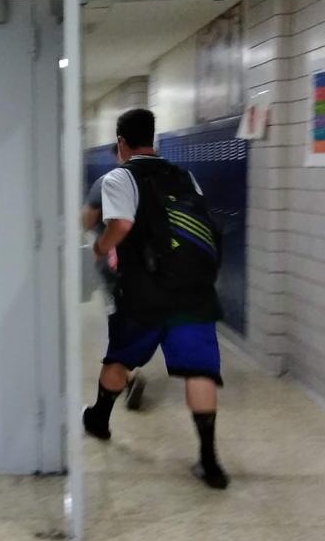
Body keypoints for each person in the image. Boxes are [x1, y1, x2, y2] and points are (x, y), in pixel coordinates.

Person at [84, 108, 230, 489]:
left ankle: (99, 419)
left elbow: (122, 225)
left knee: (120, 357)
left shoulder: (120, 176)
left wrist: (101, 247)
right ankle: (209, 460)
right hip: (194, 290)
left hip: (144, 292)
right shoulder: (185, 176)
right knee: (200, 370)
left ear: (121, 143)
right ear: (154, 139)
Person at [81, 142, 146, 411]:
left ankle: (125, 373)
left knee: (117, 316)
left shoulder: (106, 183)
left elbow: (86, 220)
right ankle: (129, 365)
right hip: (151, 267)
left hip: (115, 265)